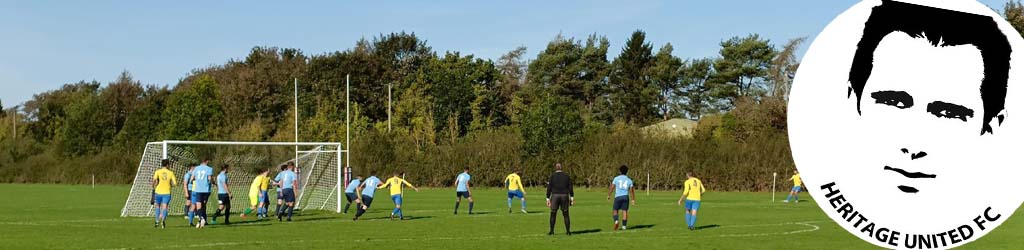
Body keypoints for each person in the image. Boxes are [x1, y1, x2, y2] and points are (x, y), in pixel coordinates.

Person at [546, 163, 574, 235]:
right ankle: (568, 231)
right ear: (561, 168)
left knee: (553, 213)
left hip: (555, 195)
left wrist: (547, 198)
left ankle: (551, 231)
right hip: (564, 195)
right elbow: (570, 187)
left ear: (556, 168)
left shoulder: (552, 176)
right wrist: (572, 197)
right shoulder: (566, 176)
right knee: (566, 214)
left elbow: (549, 188)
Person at [607, 165, 635, 231]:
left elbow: (612, 187)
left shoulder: (616, 178)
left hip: (618, 197)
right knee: (624, 211)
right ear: (627, 172)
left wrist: (609, 195)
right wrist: (633, 199)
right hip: (625, 197)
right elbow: (631, 191)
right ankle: (624, 226)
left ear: (620, 171)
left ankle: (616, 221)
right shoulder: (629, 180)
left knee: (615, 210)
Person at [151, 159, 176, 228]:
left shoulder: (158, 171)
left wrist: (153, 186)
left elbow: (154, 180)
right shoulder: (171, 173)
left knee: (157, 206)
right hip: (167, 192)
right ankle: (163, 221)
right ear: (167, 165)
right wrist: (170, 185)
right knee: (164, 207)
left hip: (158, 192)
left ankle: (156, 221)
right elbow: (175, 183)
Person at [190, 159, 215, 228]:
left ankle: (201, 219)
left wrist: (193, 181)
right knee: (204, 205)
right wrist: (213, 182)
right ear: (207, 161)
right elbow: (210, 179)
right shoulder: (209, 169)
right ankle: (202, 220)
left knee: (198, 206)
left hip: (198, 190)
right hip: (206, 190)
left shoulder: (196, 169)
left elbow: (192, 179)